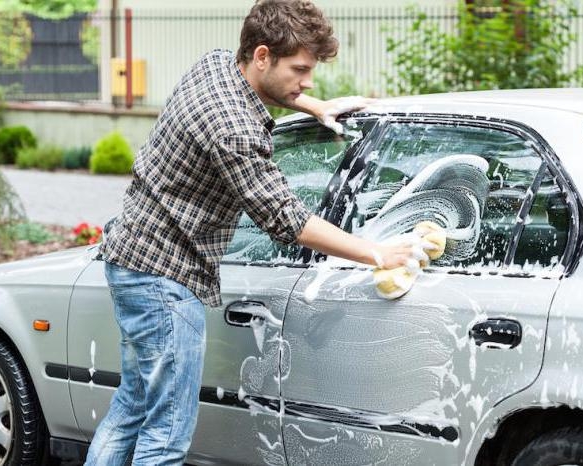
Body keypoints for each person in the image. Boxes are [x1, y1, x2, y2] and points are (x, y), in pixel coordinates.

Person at [84, 0, 412, 464]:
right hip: (164, 280)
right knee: (166, 433)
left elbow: (265, 89)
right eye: (300, 70)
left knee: (133, 405)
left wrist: (314, 104)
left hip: (132, 259)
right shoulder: (234, 128)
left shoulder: (217, 64)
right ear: (262, 56)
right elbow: (286, 219)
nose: (308, 80)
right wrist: (378, 254)